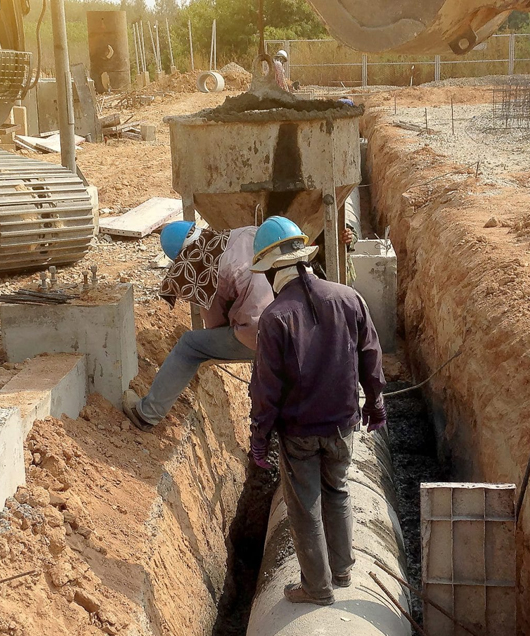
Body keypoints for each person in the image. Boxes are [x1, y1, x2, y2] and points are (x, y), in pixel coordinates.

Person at [248, 216, 386, 606]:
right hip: (343, 424)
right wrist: (375, 404)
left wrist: (260, 439)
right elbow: (371, 357)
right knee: (337, 492)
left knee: (305, 509)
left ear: (272, 269)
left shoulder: (275, 319)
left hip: (300, 433)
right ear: (304, 258)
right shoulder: (348, 298)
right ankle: (342, 571)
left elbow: (266, 390)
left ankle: (317, 588)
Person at [122, 221, 272, 431]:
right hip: (298, 322)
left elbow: (215, 326)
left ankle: (147, 414)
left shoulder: (206, 271)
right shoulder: (245, 233)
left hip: (262, 334)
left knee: (190, 345)